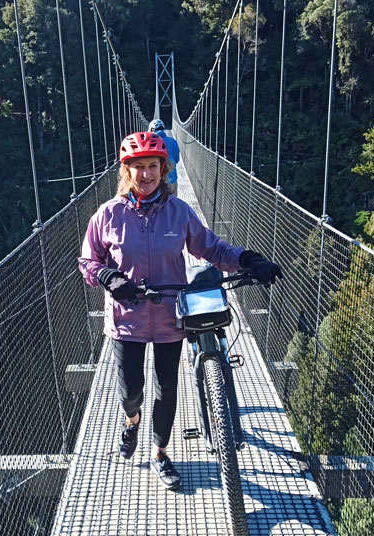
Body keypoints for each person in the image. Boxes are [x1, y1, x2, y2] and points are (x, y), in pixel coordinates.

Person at [78, 131, 282, 491]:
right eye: (137, 167)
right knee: (131, 391)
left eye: (152, 166)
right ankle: (131, 422)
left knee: (166, 388)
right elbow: (87, 261)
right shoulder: (107, 215)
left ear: (163, 169)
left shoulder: (179, 212)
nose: (146, 174)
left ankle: (160, 453)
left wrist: (248, 260)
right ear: (127, 172)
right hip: (127, 319)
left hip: (173, 316)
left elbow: (212, 248)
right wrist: (108, 276)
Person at [148, 118, 180, 195]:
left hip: (156, 182)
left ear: (152, 130)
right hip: (172, 180)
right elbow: (177, 159)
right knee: (172, 205)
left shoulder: (149, 143)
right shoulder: (173, 141)